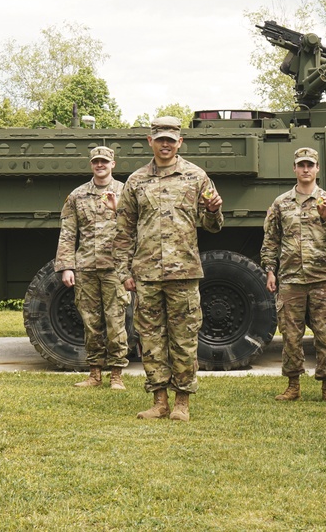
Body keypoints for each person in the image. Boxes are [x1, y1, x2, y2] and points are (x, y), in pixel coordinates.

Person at [113, 116, 223, 421]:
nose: (165, 144)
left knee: (184, 338)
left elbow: (213, 225)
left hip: (184, 273)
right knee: (149, 338)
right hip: (146, 273)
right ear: (150, 141)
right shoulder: (135, 181)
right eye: (159, 139)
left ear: (179, 143)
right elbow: (123, 230)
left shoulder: (196, 176)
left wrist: (214, 211)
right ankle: (159, 400)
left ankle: (182, 402)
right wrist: (124, 272)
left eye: (170, 140)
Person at [261, 147, 326, 405]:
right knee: (290, 335)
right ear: (295, 169)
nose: (306, 169)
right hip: (291, 279)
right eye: (301, 165)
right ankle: (293, 384)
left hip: (323, 278)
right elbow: (271, 239)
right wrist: (270, 270)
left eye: (310, 165)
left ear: (317, 169)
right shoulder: (281, 203)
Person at [55, 145, 130, 390]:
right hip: (86, 266)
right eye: (96, 162)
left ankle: (117, 374)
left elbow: (135, 227)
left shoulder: (125, 192)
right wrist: (67, 266)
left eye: (105, 162)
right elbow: (68, 233)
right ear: (91, 165)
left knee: (116, 320)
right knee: (90, 322)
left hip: (115, 268)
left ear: (113, 164)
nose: (100, 165)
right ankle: (95, 373)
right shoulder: (77, 196)